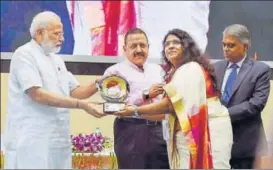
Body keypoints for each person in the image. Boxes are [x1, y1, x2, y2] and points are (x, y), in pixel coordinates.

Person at [113, 28, 233, 169]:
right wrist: (133, 112)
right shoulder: (174, 74)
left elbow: (169, 106)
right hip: (181, 135)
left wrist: (135, 110)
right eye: (167, 44)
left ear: (186, 46)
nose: (170, 46)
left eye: (176, 42)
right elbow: (167, 113)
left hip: (209, 132)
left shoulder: (191, 68)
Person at [3, 11, 103, 169]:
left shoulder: (57, 60)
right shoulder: (24, 55)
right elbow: (37, 94)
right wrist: (81, 105)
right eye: (57, 34)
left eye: (62, 34)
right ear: (39, 32)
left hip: (58, 138)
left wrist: (101, 83)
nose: (62, 39)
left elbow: (76, 91)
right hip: (32, 139)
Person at [101, 28, 170, 169]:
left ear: (149, 48)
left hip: (159, 131)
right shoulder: (114, 72)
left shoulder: (159, 70)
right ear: (124, 49)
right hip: (130, 129)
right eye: (133, 46)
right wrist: (145, 95)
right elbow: (112, 106)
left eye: (142, 46)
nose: (139, 50)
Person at [214, 24, 271, 169]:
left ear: (245, 46)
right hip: (218, 142)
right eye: (224, 44)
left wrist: (224, 114)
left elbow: (256, 103)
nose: (226, 49)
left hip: (246, 145)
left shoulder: (260, 70)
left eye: (231, 45)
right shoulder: (216, 68)